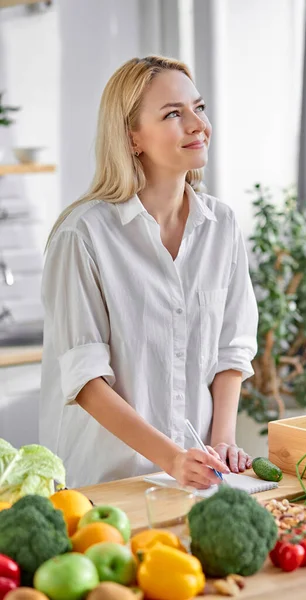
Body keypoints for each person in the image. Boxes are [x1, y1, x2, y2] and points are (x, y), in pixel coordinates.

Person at [40, 55, 258, 489]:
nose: (197, 124)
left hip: (194, 478)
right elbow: (86, 380)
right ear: (132, 137)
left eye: (199, 108)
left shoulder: (223, 226)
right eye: (174, 114)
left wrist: (223, 441)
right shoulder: (82, 235)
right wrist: (172, 459)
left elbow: (231, 350)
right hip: (103, 484)